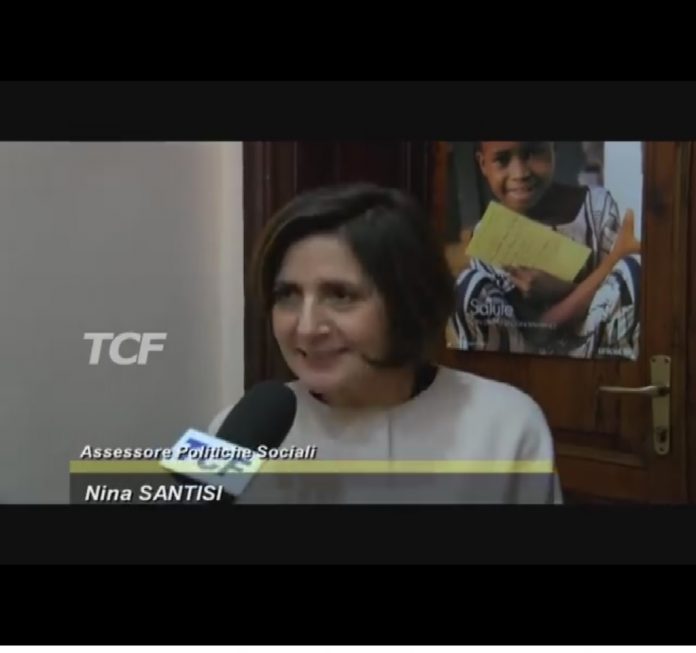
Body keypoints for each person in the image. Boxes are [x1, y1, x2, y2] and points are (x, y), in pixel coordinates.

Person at [210, 182, 562, 504]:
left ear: (407, 301)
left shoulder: (506, 424)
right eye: (287, 295)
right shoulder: (237, 428)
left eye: (340, 295)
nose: (307, 328)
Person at [451, 141, 641, 359]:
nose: (520, 173)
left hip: (593, 352)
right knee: (468, 286)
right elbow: (539, 331)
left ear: (554, 148)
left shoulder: (597, 207)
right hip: (521, 358)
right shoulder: (490, 235)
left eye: (532, 153)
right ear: (483, 164)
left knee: (630, 273)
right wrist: (613, 259)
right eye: (502, 160)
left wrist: (562, 288)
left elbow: (613, 296)